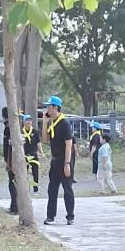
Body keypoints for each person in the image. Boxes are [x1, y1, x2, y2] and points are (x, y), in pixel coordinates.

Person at [43, 95, 75, 225]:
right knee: (52, 189)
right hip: (55, 160)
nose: (47, 109)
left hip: (65, 159)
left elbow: (69, 145)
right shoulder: (52, 122)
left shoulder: (64, 123)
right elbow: (45, 140)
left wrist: (67, 164)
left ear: (55, 108)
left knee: (67, 188)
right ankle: (50, 216)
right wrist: (45, 122)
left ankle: (70, 216)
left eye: (49, 107)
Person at [1, 106, 17, 215]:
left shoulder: (9, 128)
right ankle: (14, 205)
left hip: (11, 159)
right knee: (12, 182)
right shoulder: (11, 127)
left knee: (12, 183)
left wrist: (9, 162)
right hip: (11, 159)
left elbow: (9, 147)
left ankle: (15, 207)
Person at [22, 114, 40, 193]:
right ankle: (25, 188)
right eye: (27, 120)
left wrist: (41, 153)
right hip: (24, 154)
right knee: (24, 172)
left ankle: (35, 188)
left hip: (33, 154)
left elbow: (38, 143)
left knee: (35, 171)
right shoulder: (21, 131)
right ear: (24, 122)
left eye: (30, 120)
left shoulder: (35, 131)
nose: (29, 122)